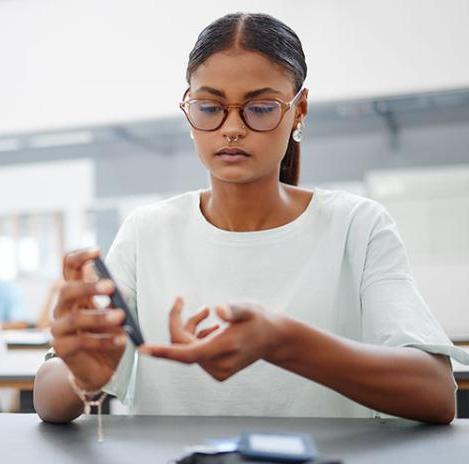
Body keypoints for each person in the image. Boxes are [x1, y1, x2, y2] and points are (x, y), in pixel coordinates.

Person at [34, 12, 469, 425]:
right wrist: (81, 376)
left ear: (299, 111)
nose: (232, 128)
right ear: (189, 110)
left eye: (260, 108)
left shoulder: (356, 226)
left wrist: (285, 343)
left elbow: (434, 392)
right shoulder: (147, 231)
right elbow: (49, 400)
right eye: (210, 107)